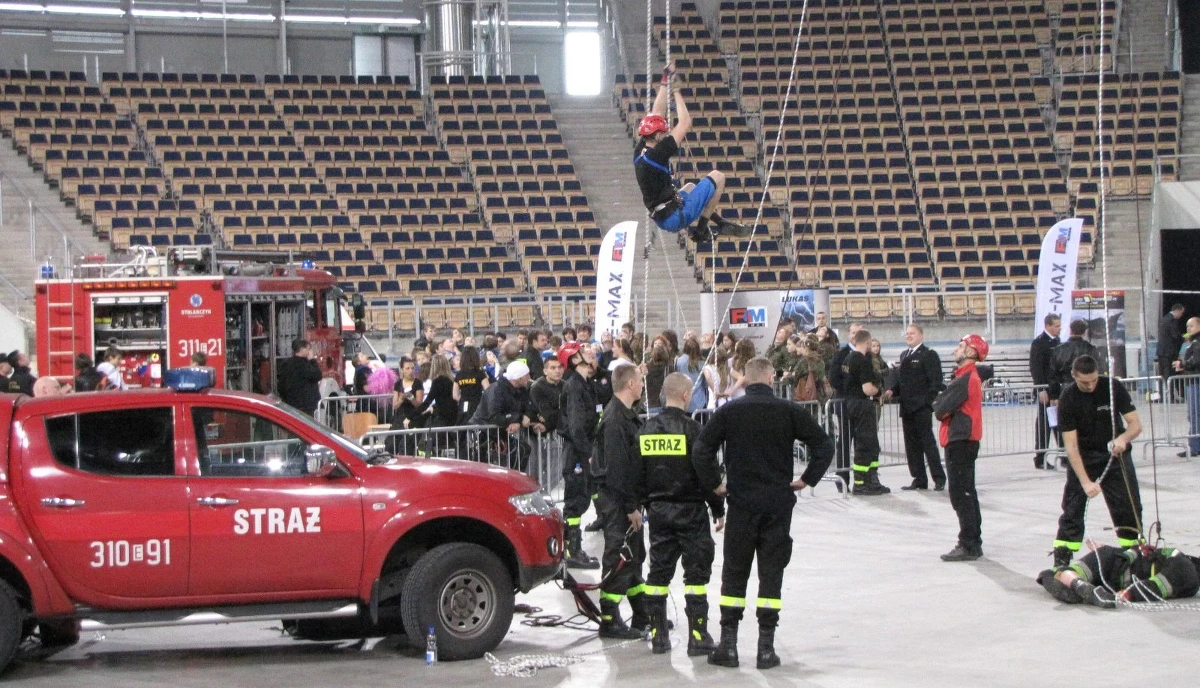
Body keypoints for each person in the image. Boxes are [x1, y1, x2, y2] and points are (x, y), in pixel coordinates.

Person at [693, 357, 834, 670]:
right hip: (778, 506)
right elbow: (824, 446)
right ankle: (766, 649)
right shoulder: (789, 411)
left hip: (742, 505)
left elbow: (701, 450)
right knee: (772, 573)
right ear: (771, 378)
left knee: (734, 572)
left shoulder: (728, 411)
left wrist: (716, 485)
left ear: (747, 379)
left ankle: (728, 646)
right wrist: (806, 479)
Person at [635, 373, 724, 656]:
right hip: (691, 512)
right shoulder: (694, 431)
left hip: (658, 512)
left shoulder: (645, 430)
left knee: (657, 575)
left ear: (663, 394)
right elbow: (707, 474)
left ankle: (658, 635)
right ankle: (698, 636)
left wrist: (637, 505)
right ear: (686, 395)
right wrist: (718, 508)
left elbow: (636, 474)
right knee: (696, 577)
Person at [634, 64, 749, 243]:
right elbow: (686, 123)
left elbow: (657, 112)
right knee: (717, 177)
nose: (665, 134)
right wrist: (677, 90)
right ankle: (701, 230)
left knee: (690, 187)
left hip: (663, 214)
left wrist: (665, 82)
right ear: (657, 135)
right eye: (663, 132)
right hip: (675, 217)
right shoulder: (658, 153)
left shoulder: (641, 151)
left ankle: (719, 222)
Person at [1051, 355, 1143, 569]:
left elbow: (1135, 424)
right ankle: (1062, 558)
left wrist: (1123, 438)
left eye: (1094, 380)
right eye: (1085, 382)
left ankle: (1133, 556)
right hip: (1084, 456)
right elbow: (1071, 446)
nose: (1091, 386)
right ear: (1074, 376)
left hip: (1115, 455)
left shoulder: (1113, 387)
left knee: (1128, 507)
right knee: (1072, 509)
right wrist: (1085, 482)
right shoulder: (1068, 398)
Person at [591, 363, 648, 639]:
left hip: (627, 498)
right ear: (629, 385)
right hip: (618, 501)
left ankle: (642, 614)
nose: (642, 385)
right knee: (619, 556)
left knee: (635, 556)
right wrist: (630, 508)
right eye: (639, 381)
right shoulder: (615, 419)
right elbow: (618, 469)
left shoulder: (626, 415)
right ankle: (609, 618)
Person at [933, 335, 988, 561]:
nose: (957, 349)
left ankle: (968, 543)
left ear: (972, 352)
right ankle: (973, 540)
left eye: (961, 346)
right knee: (967, 492)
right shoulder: (965, 377)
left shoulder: (965, 379)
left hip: (960, 438)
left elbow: (940, 409)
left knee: (961, 493)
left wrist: (940, 403)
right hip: (963, 438)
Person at [884, 324, 946, 491]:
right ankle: (919, 479)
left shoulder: (929, 355)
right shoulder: (904, 355)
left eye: (912, 333)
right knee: (911, 447)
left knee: (928, 444)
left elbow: (935, 382)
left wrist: (927, 402)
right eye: (907, 334)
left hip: (921, 408)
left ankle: (939, 478)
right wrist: (891, 390)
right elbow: (901, 381)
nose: (908, 336)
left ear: (921, 336)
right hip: (906, 407)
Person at [1037, 544, 1200, 608]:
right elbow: (1153, 588)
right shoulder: (1187, 574)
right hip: (1113, 565)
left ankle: (1075, 583)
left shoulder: (1182, 560)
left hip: (1112, 560)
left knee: (1063, 573)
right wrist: (1127, 595)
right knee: (1058, 574)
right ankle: (1078, 585)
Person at [557, 342, 601, 569]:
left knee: (582, 498)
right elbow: (576, 426)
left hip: (582, 450)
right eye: (584, 351)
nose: (590, 352)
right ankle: (571, 550)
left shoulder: (586, 384)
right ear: (575, 360)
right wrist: (588, 454)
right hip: (577, 452)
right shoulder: (574, 386)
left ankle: (574, 548)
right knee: (575, 502)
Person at [841, 328, 889, 495]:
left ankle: (871, 480)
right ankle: (861, 483)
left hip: (851, 404)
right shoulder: (862, 360)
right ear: (868, 342)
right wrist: (878, 392)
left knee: (870, 444)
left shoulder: (848, 358)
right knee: (866, 443)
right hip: (862, 404)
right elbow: (867, 388)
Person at [471, 360, 536, 471]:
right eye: (526, 375)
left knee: (522, 450)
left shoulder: (521, 390)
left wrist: (518, 422)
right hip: (483, 433)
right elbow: (495, 416)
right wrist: (519, 418)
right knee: (485, 466)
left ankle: (513, 483)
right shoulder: (497, 390)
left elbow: (529, 409)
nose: (529, 378)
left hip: (499, 433)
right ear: (518, 378)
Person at [1030, 313, 1062, 469]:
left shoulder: (1058, 341)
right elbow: (1036, 368)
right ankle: (1040, 457)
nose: (1059, 328)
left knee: (1059, 423)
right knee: (1044, 424)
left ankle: (1063, 455)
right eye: (1056, 326)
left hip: (1056, 390)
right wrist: (1041, 389)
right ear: (1048, 326)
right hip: (1045, 390)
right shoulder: (1039, 343)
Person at [1050, 319, 1101, 400]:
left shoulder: (1059, 349)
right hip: (1087, 390)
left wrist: (1054, 396)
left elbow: (1052, 375)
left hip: (1065, 389)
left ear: (1070, 330)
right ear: (1084, 332)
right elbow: (1098, 370)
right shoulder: (1091, 349)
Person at [1173, 316, 1200, 457]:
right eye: (1187, 326)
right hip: (1193, 381)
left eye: (1191, 326)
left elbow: (1196, 361)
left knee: (1194, 415)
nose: (1189, 329)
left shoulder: (1197, 342)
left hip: (1195, 382)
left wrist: (1182, 364)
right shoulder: (1192, 341)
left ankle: (1194, 447)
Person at [276, 339, 322, 416]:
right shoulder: (305, 365)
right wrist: (313, 360)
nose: (309, 351)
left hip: (291, 403)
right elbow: (317, 375)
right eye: (308, 348)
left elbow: (281, 385)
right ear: (301, 349)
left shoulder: (286, 364)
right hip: (306, 405)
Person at [529, 355, 564, 434]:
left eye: (560, 367)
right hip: (543, 435)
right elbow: (546, 414)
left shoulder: (566, 386)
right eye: (553, 368)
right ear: (545, 371)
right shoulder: (537, 388)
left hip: (561, 433)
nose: (557, 371)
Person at [455, 346, 490, 421]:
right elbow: (488, 390)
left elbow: (455, 395)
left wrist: (463, 399)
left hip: (463, 405)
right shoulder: (480, 374)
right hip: (478, 404)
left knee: (463, 426)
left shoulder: (459, 374)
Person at [675, 336, 708, 412]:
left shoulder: (679, 362)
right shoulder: (702, 362)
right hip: (699, 401)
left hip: (683, 401)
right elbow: (705, 383)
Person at [1157, 303, 1186, 383]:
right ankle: (1169, 393)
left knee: (1163, 374)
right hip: (1168, 353)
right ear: (1178, 311)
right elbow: (1175, 335)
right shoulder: (1172, 320)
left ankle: (1164, 393)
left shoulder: (1165, 318)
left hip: (1162, 351)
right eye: (1181, 313)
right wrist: (1184, 339)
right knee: (1168, 374)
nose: (1181, 315)